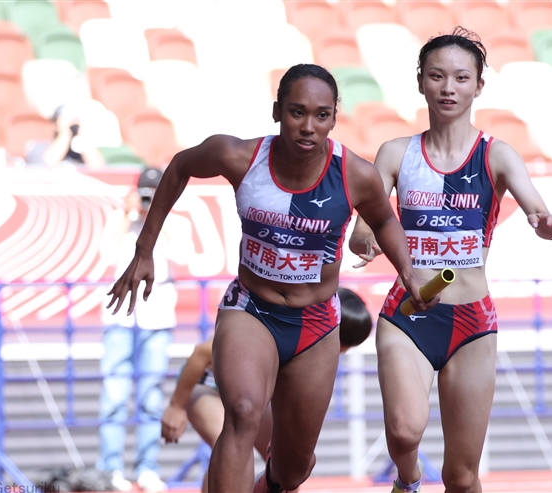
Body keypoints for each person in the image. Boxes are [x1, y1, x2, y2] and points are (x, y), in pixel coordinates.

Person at [106, 63, 436, 493]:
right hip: (252, 310)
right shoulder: (240, 157)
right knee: (242, 413)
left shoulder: (355, 174)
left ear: (335, 117)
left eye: (321, 115)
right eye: (297, 112)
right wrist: (144, 249)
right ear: (277, 110)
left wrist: (409, 271)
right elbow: (180, 166)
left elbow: (385, 221)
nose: (308, 126)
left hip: (316, 324)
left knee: (293, 466)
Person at [348, 28, 552, 493]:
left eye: (461, 78)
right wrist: (365, 239)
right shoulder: (395, 154)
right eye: (437, 76)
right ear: (421, 83)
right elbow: (363, 229)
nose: (448, 87)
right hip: (407, 314)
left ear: (478, 86)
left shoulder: (497, 155)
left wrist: (544, 221)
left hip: (472, 321)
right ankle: (407, 477)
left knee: (462, 477)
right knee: (405, 431)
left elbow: (536, 207)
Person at [161, 286, 374, 493]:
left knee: (287, 461)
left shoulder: (314, 354)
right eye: (344, 345)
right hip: (207, 387)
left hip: (254, 399)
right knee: (232, 440)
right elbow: (201, 353)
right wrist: (176, 406)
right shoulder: (273, 326)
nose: (343, 352)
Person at [97, 168, 190, 493]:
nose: (150, 197)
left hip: (157, 318)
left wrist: (157, 219)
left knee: (151, 399)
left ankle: (147, 469)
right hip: (120, 319)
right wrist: (128, 215)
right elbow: (105, 255)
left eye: (156, 191)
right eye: (146, 192)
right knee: (114, 397)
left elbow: (184, 256)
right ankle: (109, 469)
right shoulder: (121, 218)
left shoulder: (174, 222)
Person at [25, 104, 105, 168]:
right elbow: (45, 166)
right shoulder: (39, 146)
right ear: (53, 125)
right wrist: (64, 133)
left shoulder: (82, 151)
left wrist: (84, 137)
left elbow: (100, 169)